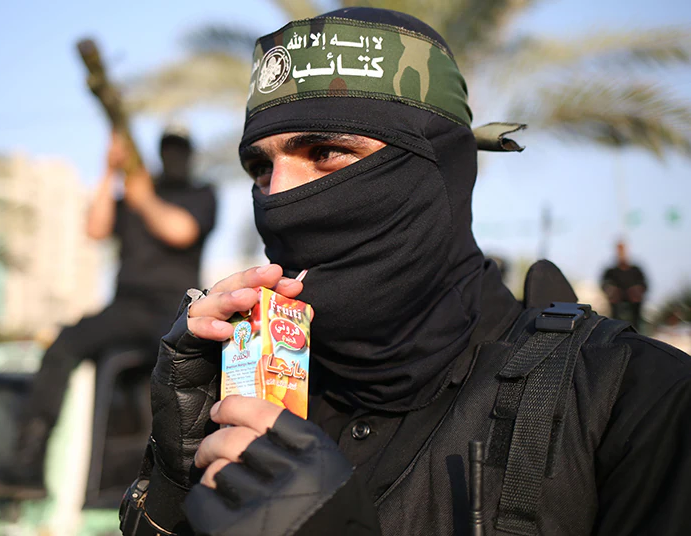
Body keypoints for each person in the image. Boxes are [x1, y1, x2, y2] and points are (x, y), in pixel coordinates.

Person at [119, 7, 691, 536]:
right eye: (260, 168)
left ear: (438, 168)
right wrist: (175, 485)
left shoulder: (631, 400)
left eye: (325, 152)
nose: (279, 195)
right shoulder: (254, 394)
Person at [0, 127, 217, 499]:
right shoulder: (132, 196)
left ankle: (190, 480)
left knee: (183, 376)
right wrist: (110, 171)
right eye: (168, 150)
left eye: (179, 150)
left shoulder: (199, 194)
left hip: (175, 309)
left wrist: (144, 198)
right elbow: (95, 228)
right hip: (126, 306)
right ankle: (27, 465)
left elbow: (181, 231)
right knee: (63, 346)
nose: (173, 158)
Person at [601, 240, 648, 331]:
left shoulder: (636, 270)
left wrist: (637, 291)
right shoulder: (611, 272)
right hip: (616, 306)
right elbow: (604, 285)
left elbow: (644, 285)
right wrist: (612, 291)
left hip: (634, 306)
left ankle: (637, 331)